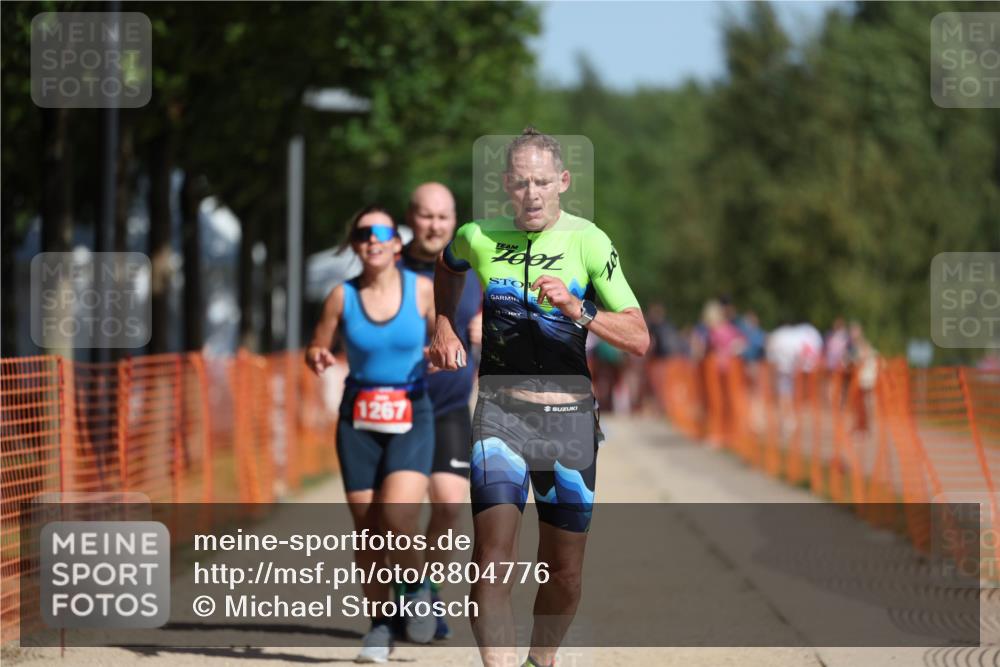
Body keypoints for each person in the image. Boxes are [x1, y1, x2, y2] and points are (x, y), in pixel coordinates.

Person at [429, 128, 649, 667]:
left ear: (563, 183)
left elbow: (640, 337)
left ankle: (539, 660)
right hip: (500, 414)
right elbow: (447, 265)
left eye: (542, 182)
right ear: (507, 183)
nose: (531, 193)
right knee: (491, 560)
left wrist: (580, 311)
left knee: (564, 571)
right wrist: (442, 324)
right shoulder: (478, 235)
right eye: (522, 182)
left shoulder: (589, 241)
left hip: (569, 421)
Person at [305, 206, 438, 662]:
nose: (372, 239)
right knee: (368, 533)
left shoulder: (422, 290)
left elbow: (447, 336)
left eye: (381, 232)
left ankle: (418, 588)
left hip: (411, 412)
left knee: (398, 518)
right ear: (355, 244)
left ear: (397, 243)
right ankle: (380, 626)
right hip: (358, 417)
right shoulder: (341, 296)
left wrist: (447, 345)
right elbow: (317, 344)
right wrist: (318, 356)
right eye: (362, 233)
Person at [399, 182, 482, 640]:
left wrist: (490, 326)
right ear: (411, 217)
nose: (435, 225)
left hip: (450, 405)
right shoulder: (387, 266)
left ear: (455, 220)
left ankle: (424, 589)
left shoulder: (469, 267)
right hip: (399, 408)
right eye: (426, 216)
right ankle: (409, 589)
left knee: (450, 504)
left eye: (443, 217)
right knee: (400, 513)